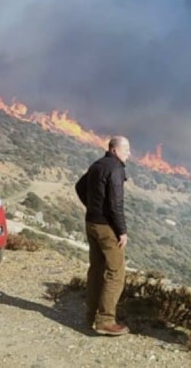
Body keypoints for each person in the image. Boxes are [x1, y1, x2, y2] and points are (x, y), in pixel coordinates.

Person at [75, 136, 132, 336]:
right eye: (126, 150)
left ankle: (90, 316)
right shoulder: (116, 169)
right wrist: (122, 231)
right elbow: (116, 204)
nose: (129, 154)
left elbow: (79, 187)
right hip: (107, 228)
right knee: (115, 273)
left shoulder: (97, 164)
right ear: (115, 150)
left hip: (91, 223)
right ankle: (106, 320)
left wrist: (92, 207)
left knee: (96, 269)